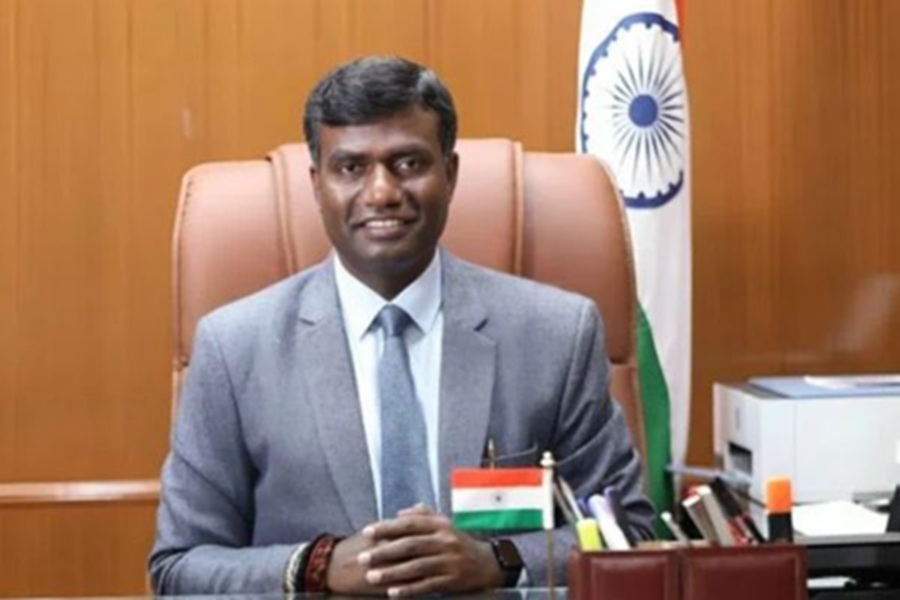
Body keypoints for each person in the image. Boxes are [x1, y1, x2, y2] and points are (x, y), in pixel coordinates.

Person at [149, 55, 654, 596]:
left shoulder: (556, 334)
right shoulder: (234, 348)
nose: (382, 192)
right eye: (351, 168)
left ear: (450, 174)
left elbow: (627, 535)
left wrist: (497, 560)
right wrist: (316, 567)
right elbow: (180, 568)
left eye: (409, 163)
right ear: (317, 185)